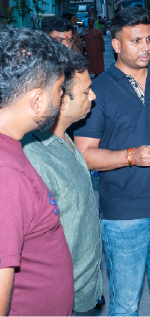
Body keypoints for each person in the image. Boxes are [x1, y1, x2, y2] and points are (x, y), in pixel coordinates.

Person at [74, 7, 150, 317]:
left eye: (149, 39)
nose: (146, 48)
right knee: (126, 306)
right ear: (116, 44)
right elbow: (84, 154)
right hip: (124, 216)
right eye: (136, 41)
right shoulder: (97, 91)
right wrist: (131, 156)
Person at [21, 52, 102, 317]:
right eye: (86, 92)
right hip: (62, 297)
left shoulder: (66, 139)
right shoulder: (35, 156)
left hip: (84, 290)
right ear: (61, 98)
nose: (93, 97)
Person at [0, 28, 74, 316]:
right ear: (37, 100)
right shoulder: (6, 174)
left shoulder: (10, 147)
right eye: (60, 88)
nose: (62, 96)